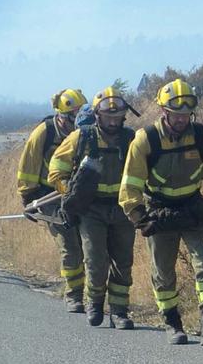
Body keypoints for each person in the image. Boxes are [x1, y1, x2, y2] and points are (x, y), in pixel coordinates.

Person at [123, 79, 203, 346]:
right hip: (159, 212)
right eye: (176, 114)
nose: (182, 119)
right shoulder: (145, 139)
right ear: (164, 111)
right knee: (163, 272)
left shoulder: (201, 135)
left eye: (186, 114)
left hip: (193, 208)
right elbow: (130, 186)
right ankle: (173, 324)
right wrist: (141, 219)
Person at [49, 86, 138, 328]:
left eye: (117, 116)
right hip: (91, 210)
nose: (112, 120)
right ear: (97, 115)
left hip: (122, 209)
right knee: (95, 261)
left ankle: (120, 312)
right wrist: (71, 191)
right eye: (108, 116)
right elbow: (56, 169)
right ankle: (95, 303)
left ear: (123, 116)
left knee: (123, 261)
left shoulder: (132, 139)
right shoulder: (81, 138)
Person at [18, 89, 88, 312]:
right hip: (49, 196)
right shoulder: (45, 132)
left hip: (79, 195)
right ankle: (74, 295)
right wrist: (28, 197)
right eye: (71, 118)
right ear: (60, 116)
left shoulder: (89, 133)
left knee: (87, 244)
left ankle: (90, 291)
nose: (75, 123)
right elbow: (28, 166)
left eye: (79, 116)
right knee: (69, 245)